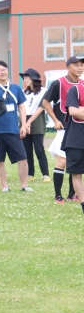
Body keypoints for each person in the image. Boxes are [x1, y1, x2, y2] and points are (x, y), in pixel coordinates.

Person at [0, 60, 32, 192]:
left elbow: (21, 107)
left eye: (4, 69)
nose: (2, 72)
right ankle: (4, 186)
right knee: (0, 161)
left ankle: (24, 185)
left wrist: (23, 124)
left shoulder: (15, 87)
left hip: (12, 129)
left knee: (22, 158)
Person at [42, 56, 82, 204]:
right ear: (68, 67)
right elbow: (46, 102)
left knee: (76, 160)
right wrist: (55, 120)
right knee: (62, 161)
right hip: (64, 128)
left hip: (79, 128)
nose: (80, 68)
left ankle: (73, 194)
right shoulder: (59, 83)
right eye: (76, 65)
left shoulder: (82, 85)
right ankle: (58, 195)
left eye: (81, 65)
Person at [20, 69, 49, 182]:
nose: (25, 80)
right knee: (27, 150)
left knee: (39, 149)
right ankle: (30, 173)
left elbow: (40, 108)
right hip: (24, 120)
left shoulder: (44, 91)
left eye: (27, 77)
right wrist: (24, 123)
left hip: (36, 121)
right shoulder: (24, 92)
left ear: (33, 79)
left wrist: (28, 122)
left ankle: (45, 173)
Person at [63, 79, 84, 214]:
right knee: (76, 174)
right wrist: (78, 110)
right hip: (76, 139)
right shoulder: (75, 90)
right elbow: (73, 111)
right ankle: (83, 204)